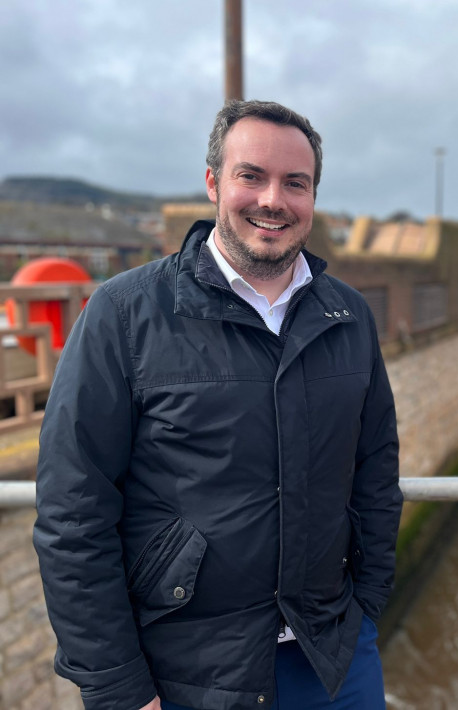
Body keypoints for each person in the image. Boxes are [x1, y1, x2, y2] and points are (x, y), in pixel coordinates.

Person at [33, 100, 403, 710]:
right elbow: (75, 514)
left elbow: (375, 469)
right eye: (250, 175)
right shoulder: (124, 314)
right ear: (213, 183)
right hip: (185, 672)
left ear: (313, 197)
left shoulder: (349, 315)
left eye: (295, 183)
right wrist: (117, 686)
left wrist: (368, 603)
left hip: (333, 654)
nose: (272, 200)